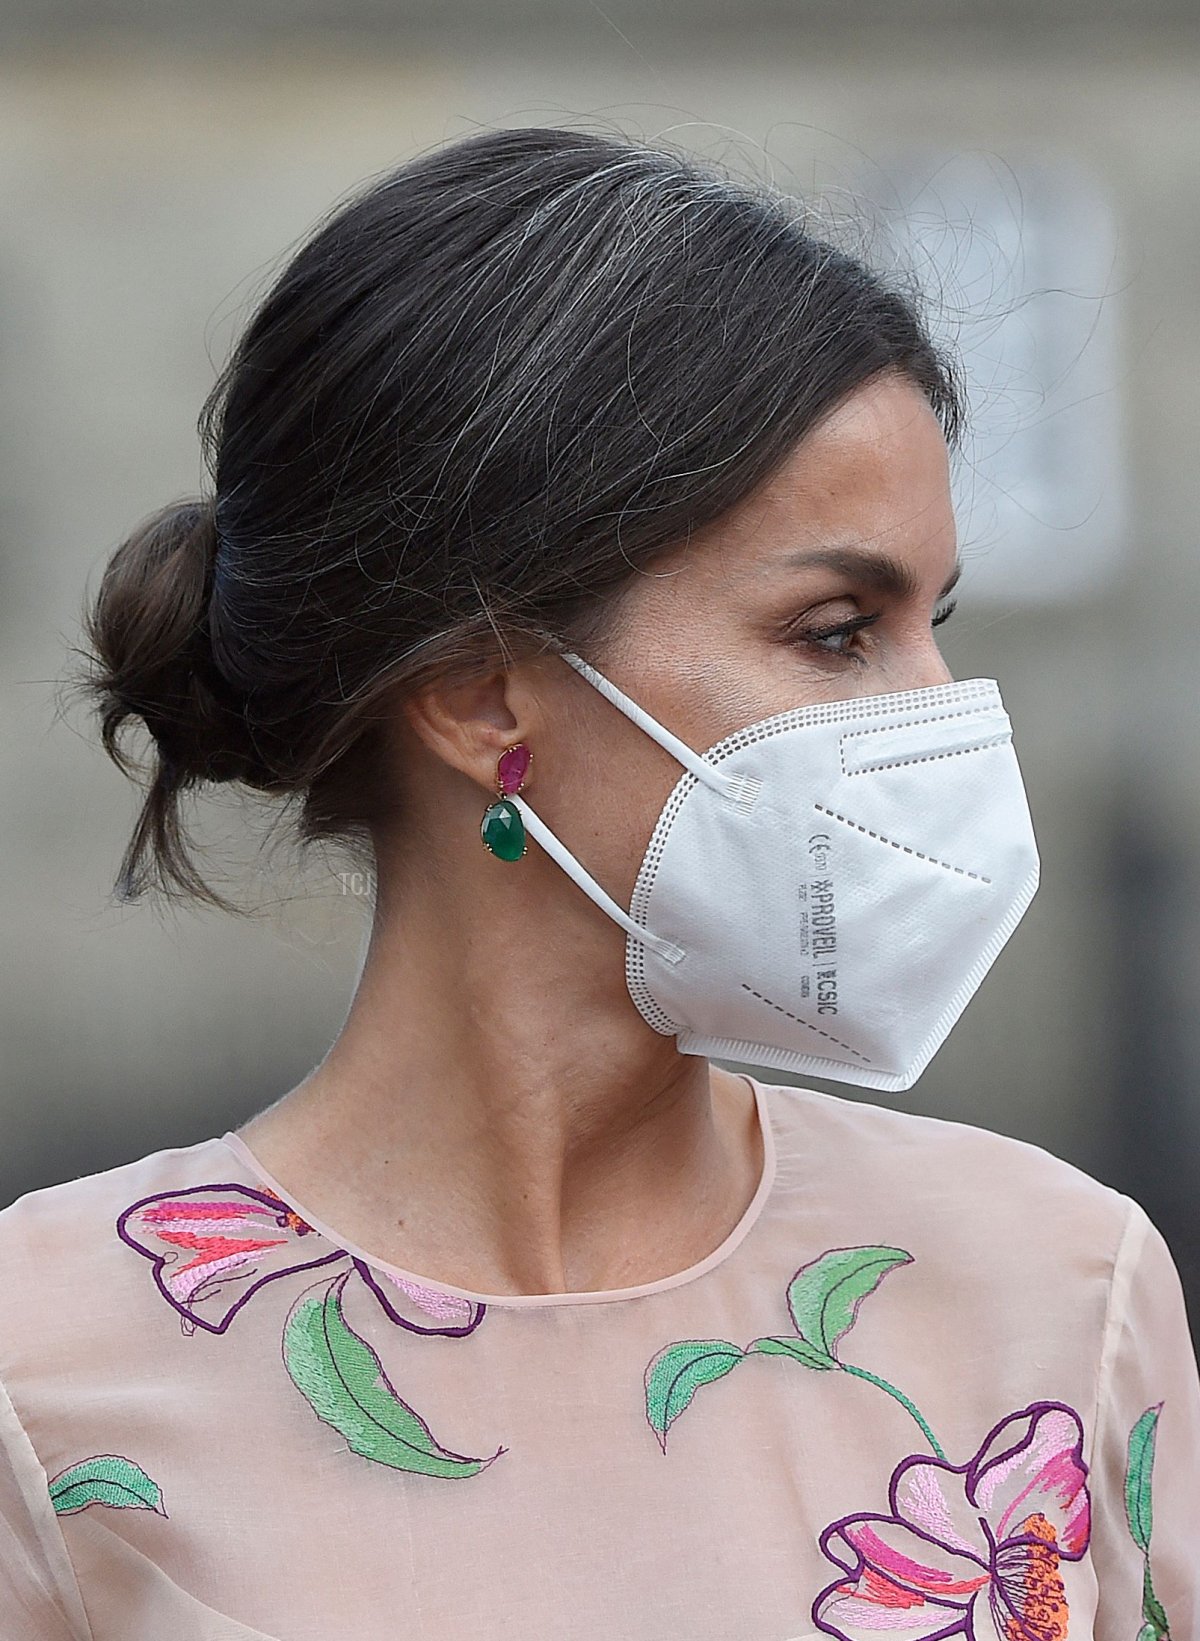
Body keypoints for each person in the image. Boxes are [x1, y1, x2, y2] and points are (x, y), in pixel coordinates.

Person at [0, 124, 1195, 1641]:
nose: (940, 713)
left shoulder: (1059, 1291)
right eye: (838, 629)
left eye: (931, 622)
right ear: (484, 691)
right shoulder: (44, 1378)